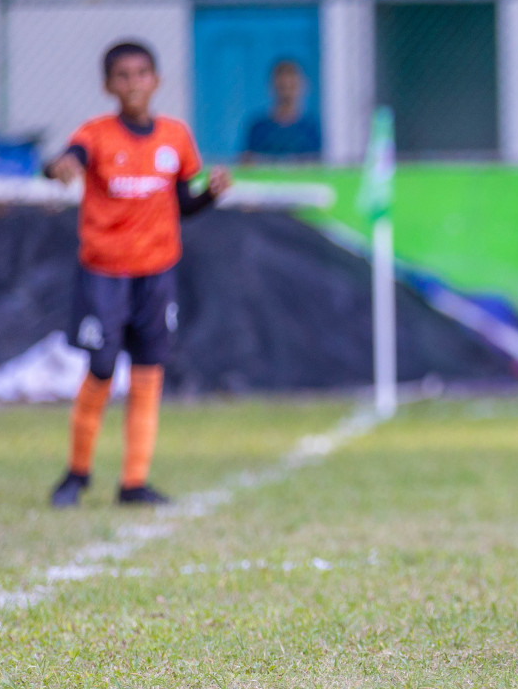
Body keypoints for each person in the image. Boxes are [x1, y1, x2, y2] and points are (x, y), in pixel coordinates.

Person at [47, 42, 231, 509]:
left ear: (157, 80)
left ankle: (134, 482)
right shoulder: (97, 134)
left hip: (157, 273)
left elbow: (183, 204)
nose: (133, 84)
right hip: (105, 272)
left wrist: (209, 194)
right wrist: (59, 168)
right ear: (109, 85)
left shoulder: (175, 136)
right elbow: (68, 159)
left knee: (149, 371)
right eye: (123, 76)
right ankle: (77, 473)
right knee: (103, 368)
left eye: (142, 74)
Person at [242, 59, 321, 160]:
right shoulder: (258, 128)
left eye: (292, 85)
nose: (287, 91)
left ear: (303, 86)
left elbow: (317, 163)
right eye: (282, 86)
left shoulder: (311, 127)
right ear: (272, 86)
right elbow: (247, 162)